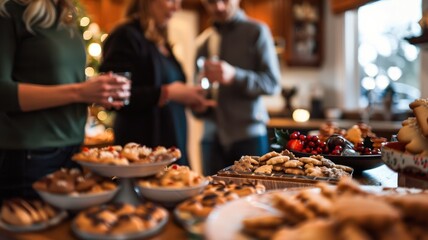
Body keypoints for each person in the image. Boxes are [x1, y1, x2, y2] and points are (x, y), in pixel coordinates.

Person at [0, 0, 131, 201]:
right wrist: (80, 92)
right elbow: (4, 93)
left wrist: (95, 92)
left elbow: (61, 82)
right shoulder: (9, 13)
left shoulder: (64, 15)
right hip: (31, 156)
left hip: (74, 150)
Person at [99, 0, 212, 166]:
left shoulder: (160, 41)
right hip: (143, 149)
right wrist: (166, 93)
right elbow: (114, 96)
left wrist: (190, 99)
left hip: (172, 142)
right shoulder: (125, 35)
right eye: (171, 0)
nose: (177, 7)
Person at [195, 0, 281, 175]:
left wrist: (235, 76)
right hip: (211, 138)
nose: (218, 7)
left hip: (249, 138)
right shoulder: (202, 42)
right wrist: (198, 106)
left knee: (255, 198)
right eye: (211, 2)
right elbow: (198, 90)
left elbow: (272, 83)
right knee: (211, 199)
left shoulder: (257, 32)